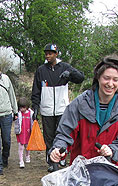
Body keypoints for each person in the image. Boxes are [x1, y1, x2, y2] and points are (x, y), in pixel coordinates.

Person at [49, 54, 118, 173]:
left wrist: (113, 150)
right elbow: (65, 133)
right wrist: (58, 149)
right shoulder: (79, 104)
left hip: (114, 173)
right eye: (106, 78)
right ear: (98, 77)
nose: (110, 84)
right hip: (82, 173)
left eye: (115, 80)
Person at [31, 43, 84, 173]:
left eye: (50, 53)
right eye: (46, 53)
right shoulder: (41, 70)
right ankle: (51, 161)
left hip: (62, 108)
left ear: (56, 54)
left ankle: (62, 157)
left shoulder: (64, 67)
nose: (48, 56)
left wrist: (70, 74)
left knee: (62, 133)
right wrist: (35, 107)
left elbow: (80, 78)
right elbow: (36, 90)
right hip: (47, 108)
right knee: (49, 136)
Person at [14, 97, 34, 169]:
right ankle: (21, 161)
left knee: (27, 146)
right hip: (20, 133)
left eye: (23, 107)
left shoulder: (31, 114)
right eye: (20, 107)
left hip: (28, 132)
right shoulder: (18, 114)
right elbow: (15, 122)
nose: (22, 109)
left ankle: (27, 155)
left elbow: (33, 122)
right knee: (21, 147)